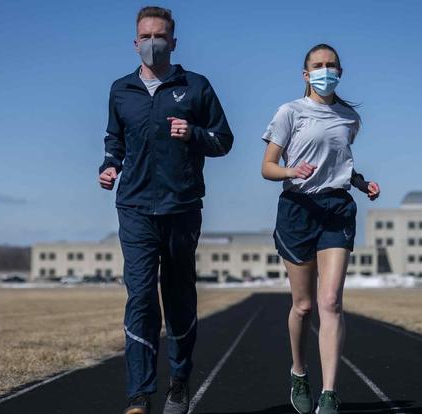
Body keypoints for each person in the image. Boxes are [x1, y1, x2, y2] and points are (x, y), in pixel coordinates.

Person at [98, 6, 234, 414]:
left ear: (173, 42)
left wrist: (193, 133)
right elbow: (113, 140)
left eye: (159, 37)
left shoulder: (195, 86)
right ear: (135, 42)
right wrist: (108, 166)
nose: (152, 43)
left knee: (178, 297)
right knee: (140, 296)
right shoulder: (121, 90)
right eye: (145, 37)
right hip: (135, 207)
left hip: (182, 207)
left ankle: (178, 380)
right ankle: (138, 395)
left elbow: (223, 140)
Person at [261, 43, 380, 414]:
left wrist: (361, 183)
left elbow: (340, 163)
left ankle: (329, 394)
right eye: (318, 65)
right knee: (304, 305)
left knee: (331, 301)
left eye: (331, 65)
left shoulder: (349, 117)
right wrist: (290, 171)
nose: (324, 70)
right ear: (305, 73)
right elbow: (267, 166)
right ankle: (299, 372)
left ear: (340, 72)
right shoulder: (290, 112)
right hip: (298, 208)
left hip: (337, 208)